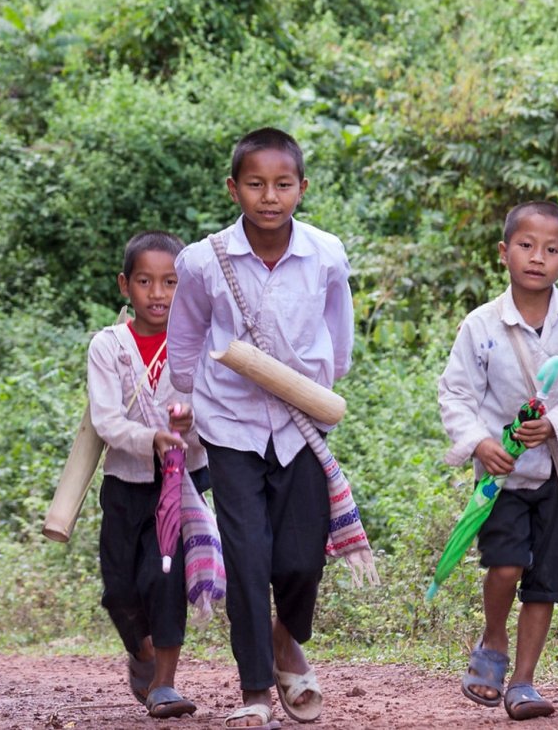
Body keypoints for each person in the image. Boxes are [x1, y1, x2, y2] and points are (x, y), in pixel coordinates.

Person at [166, 127, 353, 730]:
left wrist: (315, 396)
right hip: (232, 428)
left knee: (300, 560)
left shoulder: (325, 255)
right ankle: (253, 692)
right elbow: (186, 340)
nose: (269, 196)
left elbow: (339, 342)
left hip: (301, 427)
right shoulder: (201, 261)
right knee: (247, 558)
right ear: (233, 188)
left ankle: (284, 641)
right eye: (255, 184)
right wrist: (189, 405)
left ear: (301, 188)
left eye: (282, 184)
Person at [437, 201, 558, 721]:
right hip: (503, 476)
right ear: (503, 252)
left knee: (546, 581)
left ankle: (523, 682)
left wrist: (556, 425)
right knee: (506, 565)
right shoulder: (481, 325)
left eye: (552, 250)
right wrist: (477, 441)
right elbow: (456, 393)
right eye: (525, 245)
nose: (537, 257)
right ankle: (492, 639)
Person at [88, 230, 208, 720]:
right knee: (119, 588)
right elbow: (106, 420)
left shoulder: (201, 344)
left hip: (183, 484)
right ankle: (141, 654)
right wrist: (152, 438)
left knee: (166, 579)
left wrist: (188, 424)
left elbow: (217, 413)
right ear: (124, 285)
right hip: (123, 483)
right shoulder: (108, 345)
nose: (158, 294)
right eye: (145, 281)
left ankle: (164, 683)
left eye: (171, 282)